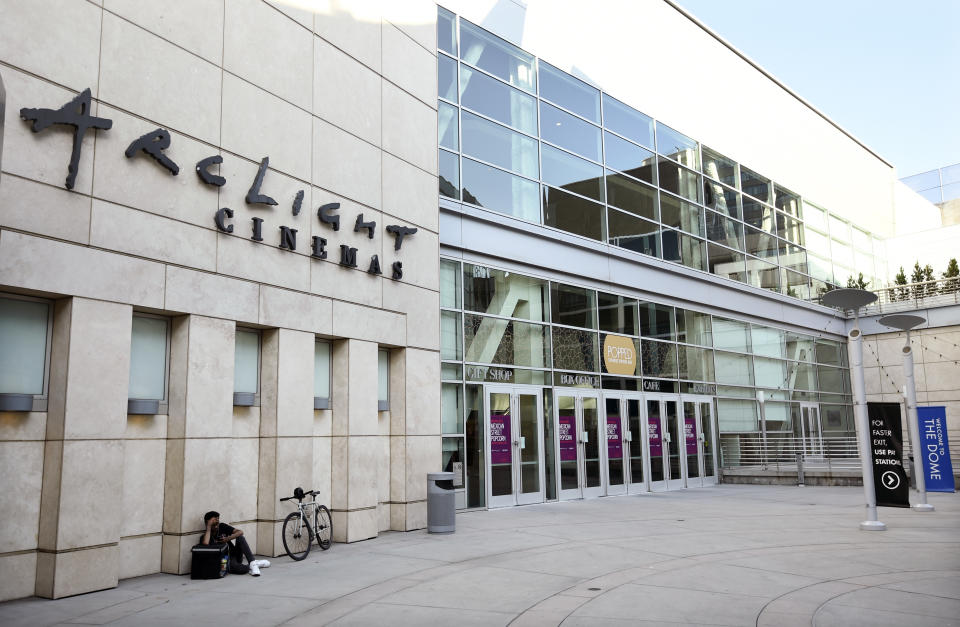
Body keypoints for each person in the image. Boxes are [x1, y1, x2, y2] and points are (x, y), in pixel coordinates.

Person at [201, 511, 270, 576]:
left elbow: (240, 532)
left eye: (217, 520)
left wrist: (227, 539)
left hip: (235, 555)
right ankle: (254, 564)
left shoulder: (222, 526)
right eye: (213, 522)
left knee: (240, 537)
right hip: (225, 560)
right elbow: (205, 544)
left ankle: (252, 562)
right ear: (208, 523)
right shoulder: (206, 536)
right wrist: (209, 527)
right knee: (240, 569)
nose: (216, 525)